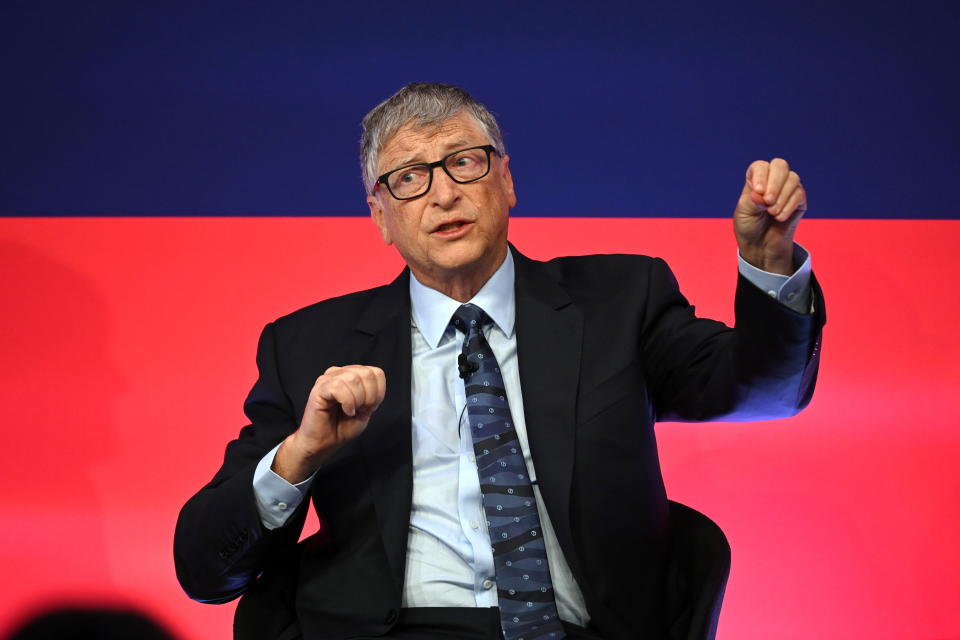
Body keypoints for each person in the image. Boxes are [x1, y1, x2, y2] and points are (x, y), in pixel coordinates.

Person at [174, 83, 824, 640]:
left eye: (464, 163)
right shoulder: (310, 345)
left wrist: (769, 266)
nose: (443, 194)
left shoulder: (620, 302)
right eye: (409, 178)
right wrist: (299, 457)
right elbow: (206, 570)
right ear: (380, 216)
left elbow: (764, 389)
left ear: (506, 180)